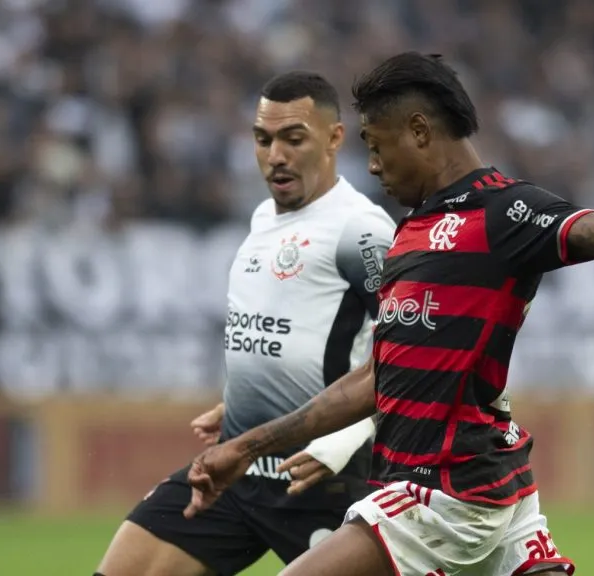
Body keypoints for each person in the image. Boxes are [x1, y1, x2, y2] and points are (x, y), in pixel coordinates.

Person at [180, 53, 594, 576]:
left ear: (419, 131)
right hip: (490, 484)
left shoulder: (504, 212)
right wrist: (246, 447)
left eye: (376, 145)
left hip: (440, 491)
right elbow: (377, 377)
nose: (372, 165)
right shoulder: (409, 235)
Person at [95, 71, 397, 576]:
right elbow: (291, 334)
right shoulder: (262, 219)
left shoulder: (361, 230)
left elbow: (411, 358)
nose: (275, 155)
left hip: (321, 478)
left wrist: (341, 442)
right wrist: (245, 394)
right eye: (263, 139)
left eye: (293, 139)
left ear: (334, 139)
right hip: (238, 469)